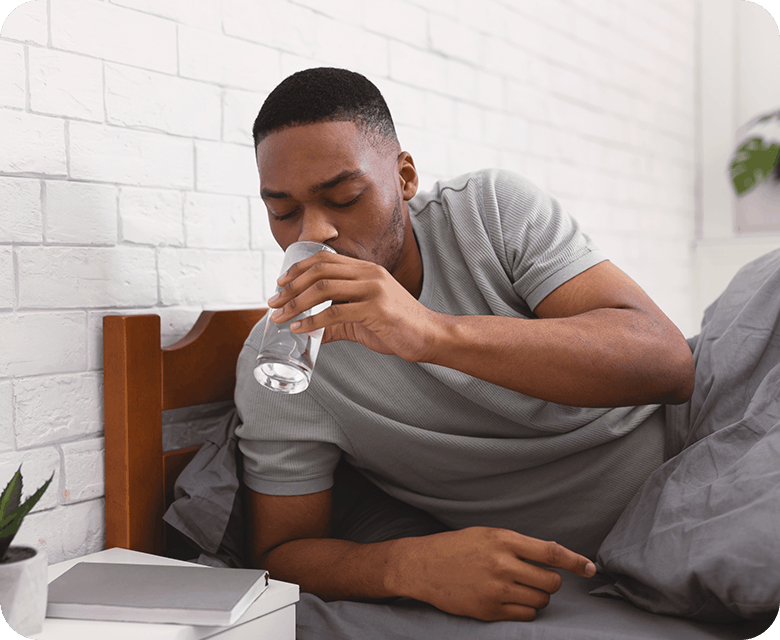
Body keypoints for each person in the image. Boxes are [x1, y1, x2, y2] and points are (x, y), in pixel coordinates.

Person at [234, 67, 696, 623]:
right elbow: (282, 554)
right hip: (605, 557)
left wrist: (430, 333)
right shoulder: (283, 361)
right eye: (283, 212)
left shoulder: (488, 212)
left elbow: (670, 363)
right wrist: (406, 566)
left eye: (345, 197)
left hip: (695, 450)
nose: (315, 233)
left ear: (404, 176)